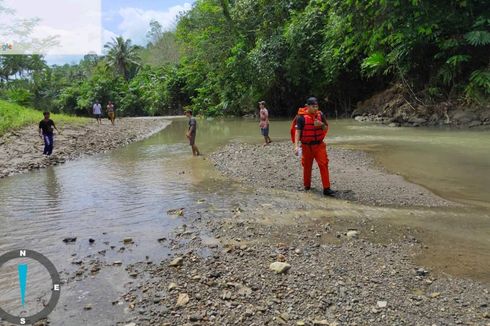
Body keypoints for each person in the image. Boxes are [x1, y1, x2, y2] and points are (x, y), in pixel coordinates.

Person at [293, 97, 335, 197]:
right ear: (307, 106)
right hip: (306, 146)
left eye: (316, 106)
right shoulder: (301, 117)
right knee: (307, 166)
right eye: (313, 106)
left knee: (323, 164)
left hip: (319, 145)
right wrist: (296, 146)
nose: (315, 108)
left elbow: (325, 127)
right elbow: (297, 132)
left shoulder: (321, 115)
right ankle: (307, 185)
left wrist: (321, 124)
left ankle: (326, 188)